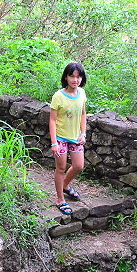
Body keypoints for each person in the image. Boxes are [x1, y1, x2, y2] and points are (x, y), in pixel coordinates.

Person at [48, 62, 88, 216]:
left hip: (76, 137)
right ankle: (60, 199)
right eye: (72, 76)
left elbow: (83, 114)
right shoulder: (58, 96)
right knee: (61, 167)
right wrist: (54, 143)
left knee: (78, 166)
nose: (75, 80)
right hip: (60, 137)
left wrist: (83, 133)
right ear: (66, 77)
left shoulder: (82, 93)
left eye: (78, 76)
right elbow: (52, 120)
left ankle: (65, 185)